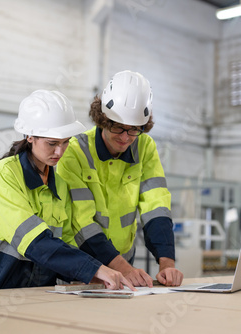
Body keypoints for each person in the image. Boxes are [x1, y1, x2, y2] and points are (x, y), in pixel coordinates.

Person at [0, 90, 135, 291]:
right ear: (30, 136)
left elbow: (66, 243)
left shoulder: (58, 184)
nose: (60, 151)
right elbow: (33, 242)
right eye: (52, 143)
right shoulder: (5, 175)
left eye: (65, 142)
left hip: (35, 295)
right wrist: (94, 269)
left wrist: (94, 275)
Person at [57, 70, 183, 287]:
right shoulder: (74, 152)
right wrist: (123, 269)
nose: (125, 138)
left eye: (134, 130)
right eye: (118, 127)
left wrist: (167, 263)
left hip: (124, 259)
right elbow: (81, 222)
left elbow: (156, 207)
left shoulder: (145, 146)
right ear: (102, 119)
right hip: (83, 263)